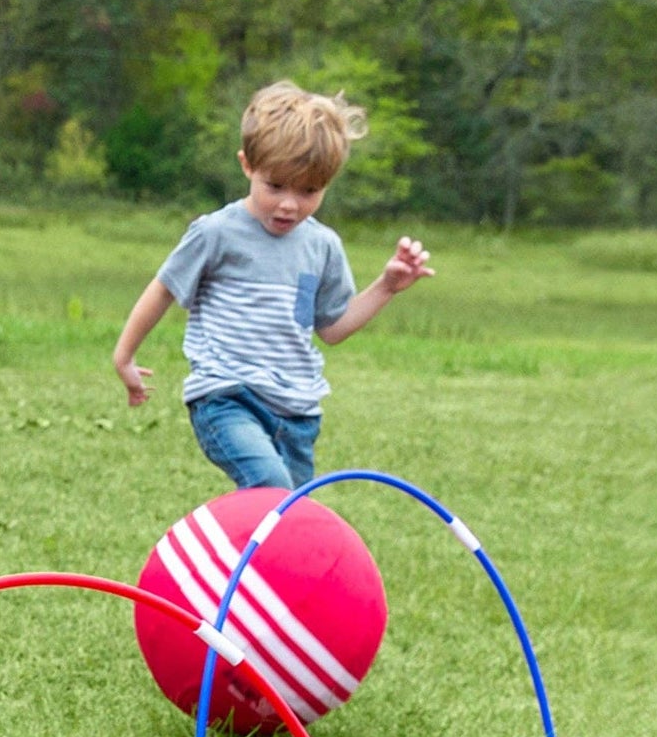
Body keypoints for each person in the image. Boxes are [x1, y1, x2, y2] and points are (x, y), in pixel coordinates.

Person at [113, 80, 434, 489]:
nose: (289, 204)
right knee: (270, 486)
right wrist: (125, 356)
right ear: (248, 165)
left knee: (286, 519)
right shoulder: (216, 233)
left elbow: (331, 328)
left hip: (297, 413)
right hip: (228, 398)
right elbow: (163, 288)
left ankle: (241, 555)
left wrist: (386, 286)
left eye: (308, 191)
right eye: (276, 186)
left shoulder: (322, 246)